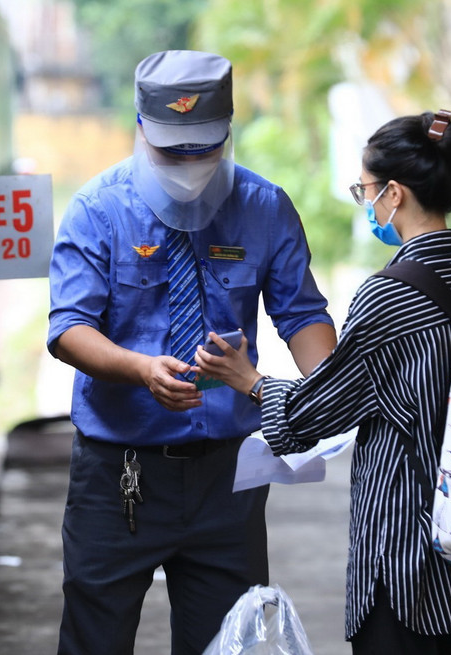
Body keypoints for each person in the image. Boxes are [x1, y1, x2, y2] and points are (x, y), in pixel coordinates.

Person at [194, 110, 451, 654]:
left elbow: (314, 415)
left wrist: (250, 380)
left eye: (366, 190)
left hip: (408, 555)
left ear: (395, 194)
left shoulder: (388, 295)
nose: (367, 203)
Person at [46, 49, 337, 654]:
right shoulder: (99, 210)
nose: (187, 164)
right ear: (141, 129)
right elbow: (69, 327)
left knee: (229, 643)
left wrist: (332, 392)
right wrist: (140, 368)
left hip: (227, 479)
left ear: (227, 132)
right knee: (93, 639)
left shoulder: (265, 209)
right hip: (118, 474)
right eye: (171, 150)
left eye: (202, 149)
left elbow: (303, 316)